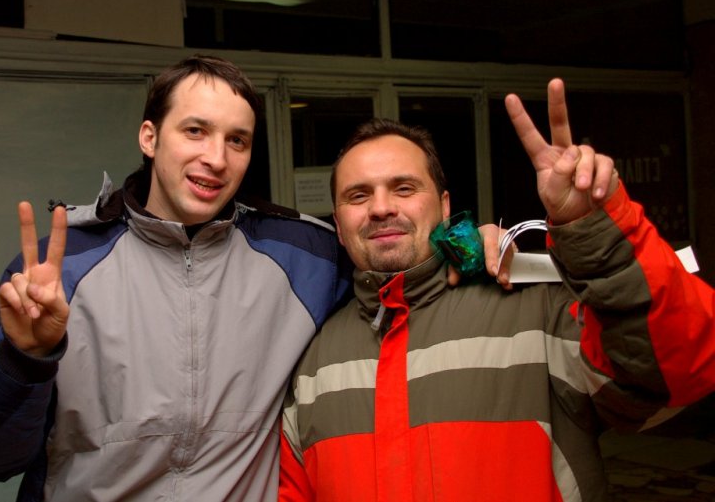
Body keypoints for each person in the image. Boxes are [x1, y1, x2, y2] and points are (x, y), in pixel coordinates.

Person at [0, 55, 507, 501]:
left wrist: (469, 243)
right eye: (195, 131)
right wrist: (26, 359)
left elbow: (394, 257)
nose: (216, 158)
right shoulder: (61, 267)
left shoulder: (304, 255)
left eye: (236, 140)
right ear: (150, 138)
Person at [279, 80, 715, 502]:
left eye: (404, 188)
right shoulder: (314, 360)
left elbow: (677, 370)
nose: (380, 207)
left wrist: (594, 232)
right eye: (358, 196)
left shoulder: (536, 313)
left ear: (445, 207)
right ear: (339, 225)